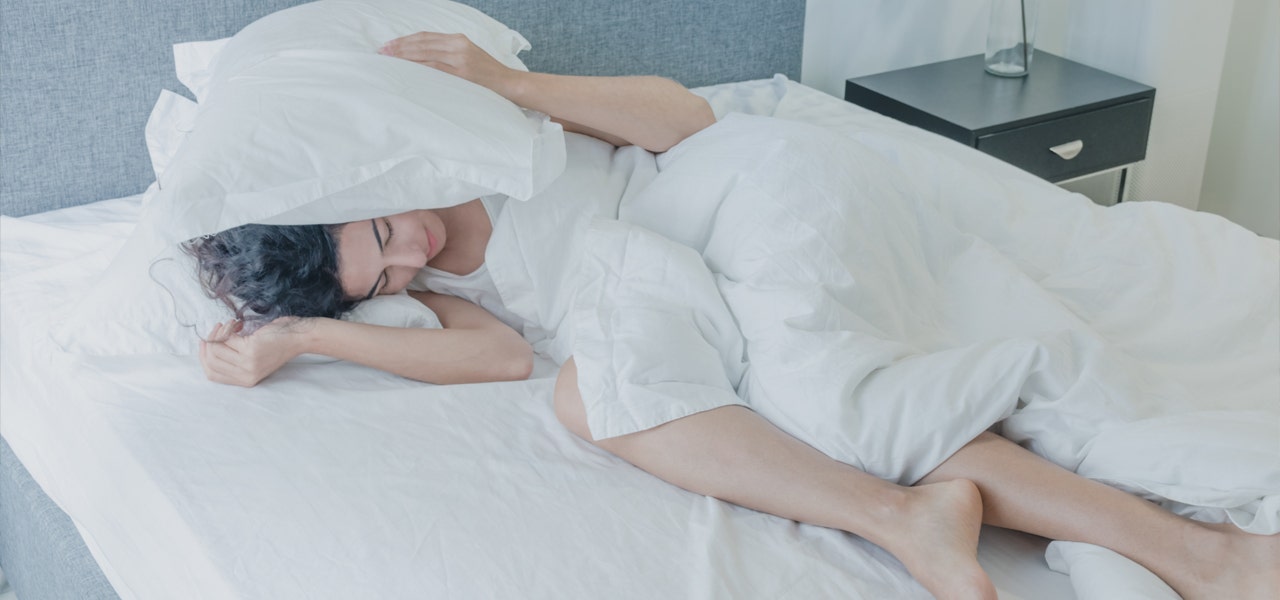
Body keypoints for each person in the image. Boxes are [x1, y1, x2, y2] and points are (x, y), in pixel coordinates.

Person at [189, 32, 1278, 600]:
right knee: (584, 393)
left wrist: (504, 82)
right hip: (664, 285)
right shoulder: (420, 290)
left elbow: (684, 120)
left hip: (733, 189)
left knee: (827, 401)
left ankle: (1177, 551)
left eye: (386, 232)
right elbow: (499, 353)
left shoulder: (473, 128)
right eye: (382, 278)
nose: (410, 254)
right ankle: (936, 519)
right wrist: (305, 333)